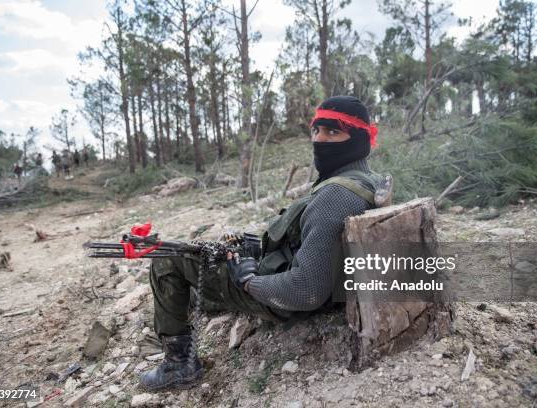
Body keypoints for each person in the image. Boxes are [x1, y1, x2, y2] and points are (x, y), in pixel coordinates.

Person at [139, 96, 381, 391]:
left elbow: (306, 291)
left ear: (356, 138)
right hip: (311, 280)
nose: (320, 140)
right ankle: (194, 297)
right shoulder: (364, 179)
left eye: (333, 132)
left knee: (169, 258)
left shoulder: (335, 196)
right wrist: (256, 248)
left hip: (287, 300)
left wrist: (248, 282)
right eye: (316, 131)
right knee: (221, 251)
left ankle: (179, 365)